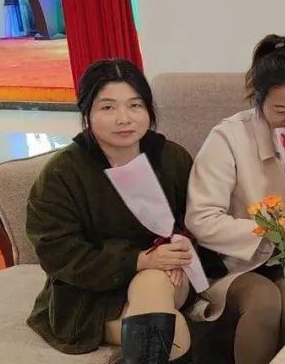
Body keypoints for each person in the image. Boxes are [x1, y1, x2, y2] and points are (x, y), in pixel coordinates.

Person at [27, 59, 195, 364]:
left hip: (168, 276)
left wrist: (179, 251)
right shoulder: (62, 173)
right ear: (87, 114)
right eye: (108, 107)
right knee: (174, 334)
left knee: (154, 280)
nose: (124, 119)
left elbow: (197, 219)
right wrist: (139, 260)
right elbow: (57, 252)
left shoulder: (172, 158)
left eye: (135, 105)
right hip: (91, 293)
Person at [186, 35, 285, 364]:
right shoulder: (228, 137)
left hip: (284, 260)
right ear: (259, 102)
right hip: (228, 263)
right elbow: (200, 219)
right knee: (264, 301)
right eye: (280, 110)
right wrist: (269, 227)